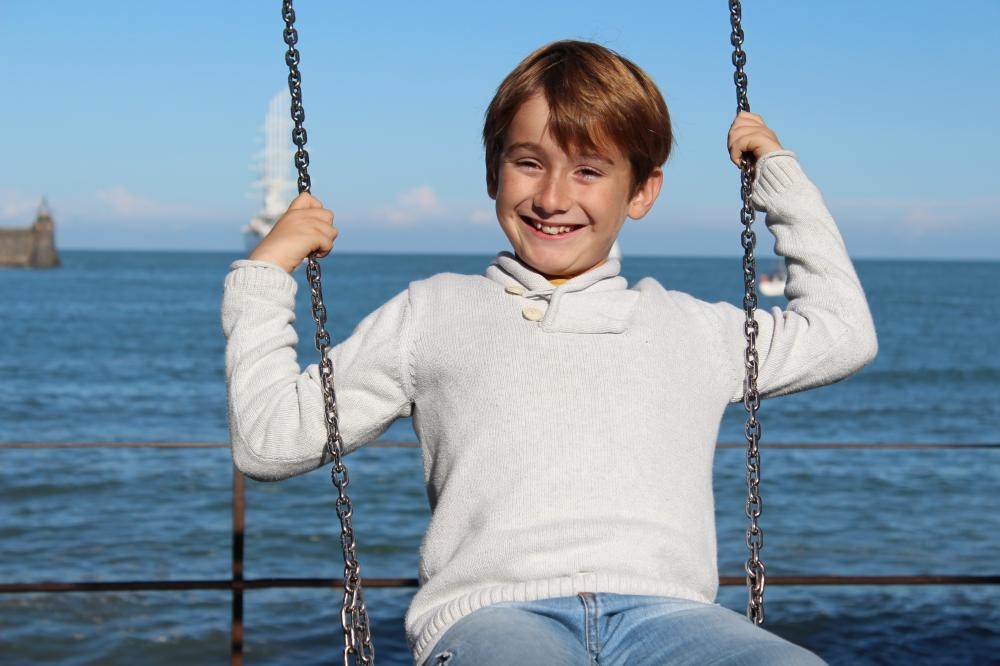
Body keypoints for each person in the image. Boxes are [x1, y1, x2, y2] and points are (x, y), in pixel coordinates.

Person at [222, 40, 876, 665]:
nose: (553, 198)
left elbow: (843, 331)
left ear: (642, 191)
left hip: (670, 618)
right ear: (493, 172)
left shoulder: (692, 329)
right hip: (497, 618)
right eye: (529, 163)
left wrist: (779, 179)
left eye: (589, 171)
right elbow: (271, 441)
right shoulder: (434, 313)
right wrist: (265, 272)